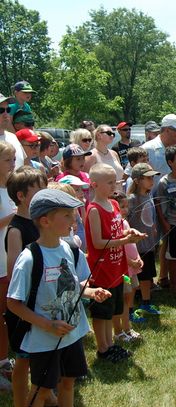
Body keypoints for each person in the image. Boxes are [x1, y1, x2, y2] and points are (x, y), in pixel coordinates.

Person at [7, 189, 111, 406]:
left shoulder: (67, 248)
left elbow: (74, 284)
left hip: (72, 334)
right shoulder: (29, 258)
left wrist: (92, 292)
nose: (74, 218)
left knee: (68, 382)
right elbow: (13, 303)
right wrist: (47, 324)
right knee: (42, 389)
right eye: (66, 215)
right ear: (45, 221)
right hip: (45, 339)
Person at [85, 163, 145, 362]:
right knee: (101, 312)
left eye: (115, 181)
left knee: (112, 309)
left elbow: (118, 231)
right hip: (101, 269)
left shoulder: (115, 204)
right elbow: (98, 242)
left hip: (117, 266)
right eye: (109, 182)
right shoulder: (94, 210)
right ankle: (103, 348)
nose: (114, 185)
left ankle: (110, 344)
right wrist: (124, 241)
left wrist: (130, 233)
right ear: (94, 184)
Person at [5, 167, 49, 405]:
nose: (44, 192)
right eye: (39, 189)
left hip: (44, 298)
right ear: (21, 196)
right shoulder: (16, 229)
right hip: (25, 304)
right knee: (23, 359)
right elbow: (15, 272)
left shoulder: (40, 222)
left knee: (43, 354)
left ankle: (46, 393)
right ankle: (21, 402)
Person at [127, 163, 161, 316]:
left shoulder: (149, 195)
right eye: (148, 178)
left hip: (148, 243)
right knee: (134, 278)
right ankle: (130, 308)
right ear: (137, 180)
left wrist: (153, 227)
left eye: (152, 177)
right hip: (135, 246)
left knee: (147, 275)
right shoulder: (132, 199)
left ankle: (146, 302)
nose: (151, 180)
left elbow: (150, 216)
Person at [110, 191, 144, 341]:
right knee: (123, 299)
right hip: (123, 270)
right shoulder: (115, 225)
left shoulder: (125, 223)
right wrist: (131, 262)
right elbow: (120, 249)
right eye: (121, 207)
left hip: (131, 269)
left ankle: (127, 327)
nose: (125, 210)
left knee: (130, 296)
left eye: (126, 206)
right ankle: (121, 331)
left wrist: (137, 259)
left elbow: (130, 246)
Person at [155, 146, 176, 292]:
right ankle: (173, 281)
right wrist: (164, 223)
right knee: (173, 256)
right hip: (174, 224)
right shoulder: (164, 182)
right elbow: (159, 203)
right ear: (170, 162)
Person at [0, 142, 16, 392]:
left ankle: (4, 360)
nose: (13, 164)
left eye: (14, 159)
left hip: (9, 260)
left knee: (6, 314)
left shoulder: (11, 189)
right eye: (7, 160)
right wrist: (17, 214)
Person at [84, 125, 125, 191]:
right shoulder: (91, 156)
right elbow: (86, 181)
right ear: (99, 135)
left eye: (113, 134)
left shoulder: (114, 154)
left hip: (118, 196)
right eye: (109, 133)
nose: (112, 135)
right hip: (101, 197)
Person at [0, 93, 25, 168]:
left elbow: (24, 165)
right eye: (1, 110)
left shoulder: (13, 137)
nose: (6, 114)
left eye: (8, 109)